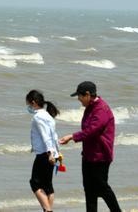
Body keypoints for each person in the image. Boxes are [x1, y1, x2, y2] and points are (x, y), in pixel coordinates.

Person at [59, 81, 121, 212]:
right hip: (88, 155)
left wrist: (72, 137)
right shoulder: (90, 107)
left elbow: (93, 130)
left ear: (87, 95)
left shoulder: (101, 109)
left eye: (80, 96)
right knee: (89, 189)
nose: (78, 99)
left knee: (102, 188)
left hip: (101, 156)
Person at [26, 89, 61, 212]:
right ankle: (48, 210)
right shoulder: (48, 115)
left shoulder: (38, 117)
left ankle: (48, 210)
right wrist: (57, 152)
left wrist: (50, 153)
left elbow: (46, 136)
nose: (28, 107)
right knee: (47, 185)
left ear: (34, 103)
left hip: (45, 154)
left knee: (34, 183)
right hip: (51, 153)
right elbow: (54, 136)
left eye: (28, 104)